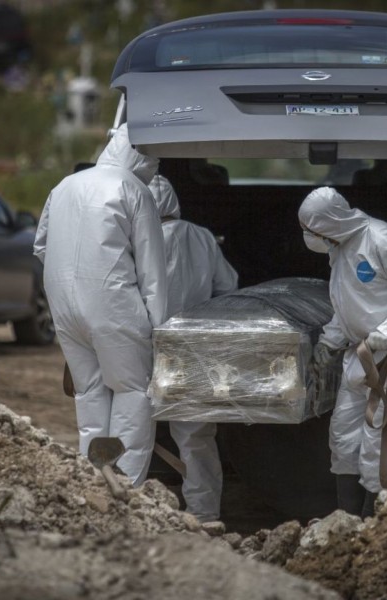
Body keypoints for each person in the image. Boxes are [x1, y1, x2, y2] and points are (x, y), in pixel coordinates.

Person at [33, 124, 167, 486]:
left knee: (89, 394)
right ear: (140, 155)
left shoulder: (64, 185)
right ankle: (124, 490)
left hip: (63, 305)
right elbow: (151, 271)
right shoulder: (134, 189)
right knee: (132, 392)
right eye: (153, 160)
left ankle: (93, 483)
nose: (154, 166)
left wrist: (67, 285)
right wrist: (159, 331)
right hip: (115, 305)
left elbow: (41, 245)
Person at [300, 186, 387, 518]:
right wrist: (329, 342)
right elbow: (349, 306)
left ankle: (377, 526)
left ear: (330, 223)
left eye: (311, 231)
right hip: (362, 357)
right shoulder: (340, 247)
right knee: (344, 439)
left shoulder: (383, 240)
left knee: (381, 445)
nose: (309, 238)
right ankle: (347, 523)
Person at [148, 173, 239, 522]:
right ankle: (204, 515)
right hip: (193, 347)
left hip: (144, 344)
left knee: (134, 427)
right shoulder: (202, 236)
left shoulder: (138, 237)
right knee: (196, 437)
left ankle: (128, 505)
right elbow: (228, 287)